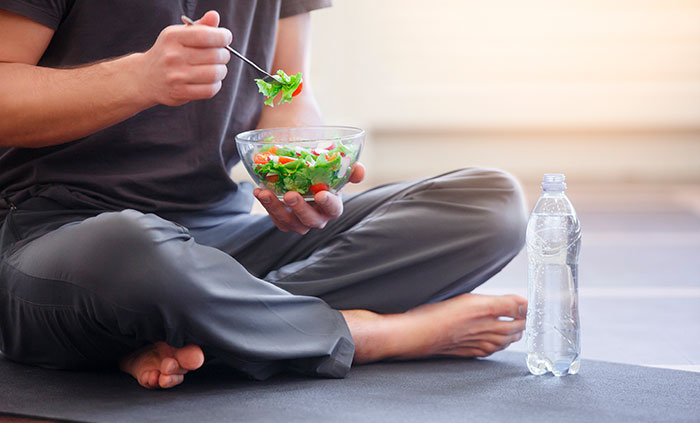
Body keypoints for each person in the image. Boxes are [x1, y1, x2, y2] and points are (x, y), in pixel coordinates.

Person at [0, 0, 528, 389]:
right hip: (62, 234)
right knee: (132, 253)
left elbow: (287, 86)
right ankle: (367, 336)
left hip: (219, 234)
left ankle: (194, 327)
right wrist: (137, 80)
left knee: (488, 204)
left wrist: (298, 172)